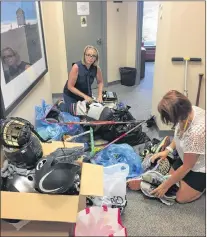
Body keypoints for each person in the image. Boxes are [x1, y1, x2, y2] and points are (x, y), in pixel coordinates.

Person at [128, 90, 205, 204]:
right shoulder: (187, 111)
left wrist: (165, 186)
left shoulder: (196, 132)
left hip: (200, 166)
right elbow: (180, 134)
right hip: (188, 154)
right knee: (167, 178)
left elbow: (188, 166)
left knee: (179, 197)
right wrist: (168, 150)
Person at [58, 45, 104, 113]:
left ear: (96, 58)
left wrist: (100, 95)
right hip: (71, 95)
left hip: (85, 94)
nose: (90, 58)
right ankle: (60, 103)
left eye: (93, 56)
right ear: (84, 55)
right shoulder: (76, 67)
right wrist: (85, 96)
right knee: (75, 112)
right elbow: (70, 87)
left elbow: (100, 82)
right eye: (88, 55)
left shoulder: (96, 68)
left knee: (90, 111)